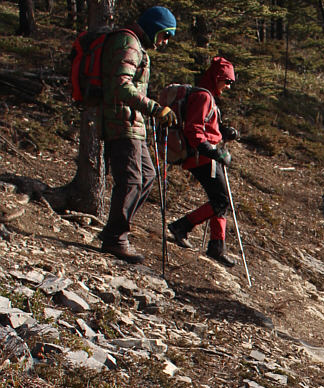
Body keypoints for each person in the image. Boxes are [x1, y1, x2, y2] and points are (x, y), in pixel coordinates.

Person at [98, 6, 178, 264]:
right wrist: (154, 108)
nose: (164, 43)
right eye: (165, 36)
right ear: (154, 28)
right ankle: (115, 239)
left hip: (133, 123)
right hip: (120, 122)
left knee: (148, 175)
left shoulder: (135, 45)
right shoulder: (128, 43)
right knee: (132, 179)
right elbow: (122, 86)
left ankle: (117, 231)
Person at [165, 57, 240, 267]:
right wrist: (212, 151)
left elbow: (206, 125)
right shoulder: (203, 96)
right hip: (202, 157)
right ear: (217, 77)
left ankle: (217, 246)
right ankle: (182, 227)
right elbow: (193, 129)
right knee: (221, 201)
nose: (228, 86)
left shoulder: (206, 96)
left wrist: (223, 131)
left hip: (205, 156)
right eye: (227, 81)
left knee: (220, 201)